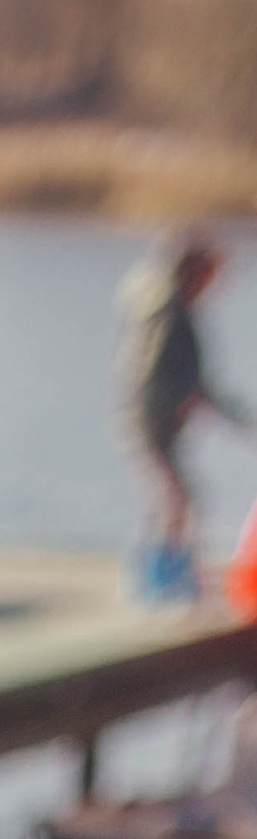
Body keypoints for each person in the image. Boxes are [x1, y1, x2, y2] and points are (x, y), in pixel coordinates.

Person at [120, 232, 245, 586]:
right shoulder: (169, 314)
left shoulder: (178, 311)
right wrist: (180, 400)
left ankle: (164, 578)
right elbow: (154, 372)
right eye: (211, 274)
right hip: (148, 422)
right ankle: (162, 582)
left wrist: (238, 419)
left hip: (154, 421)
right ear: (193, 271)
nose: (216, 284)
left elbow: (195, 381)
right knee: (177, 498)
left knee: (175, 499)